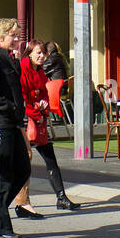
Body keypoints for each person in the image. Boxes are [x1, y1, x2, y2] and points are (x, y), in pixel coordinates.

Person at [13, 40, 80, 218]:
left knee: (50, 158)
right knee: (24, 162)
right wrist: (35, 106)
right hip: (27, 118)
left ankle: (61, 197)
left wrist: (43, 103)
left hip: (39, 118)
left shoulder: (40, 71)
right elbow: (21, 96)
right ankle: (20, 203)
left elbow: (43, 91)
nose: (42, 56)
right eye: (38, 53)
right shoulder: (23, 69)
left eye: (43, 53)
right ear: (29, 54)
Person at [0, 17, 30, 238]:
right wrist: (9, 106)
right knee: (4, 175)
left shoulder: (9, 57)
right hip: (1, 122)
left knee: (22, 170)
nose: (16, 38)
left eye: (17, 35)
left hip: (13, 122)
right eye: (12, 35)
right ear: (0, 37)